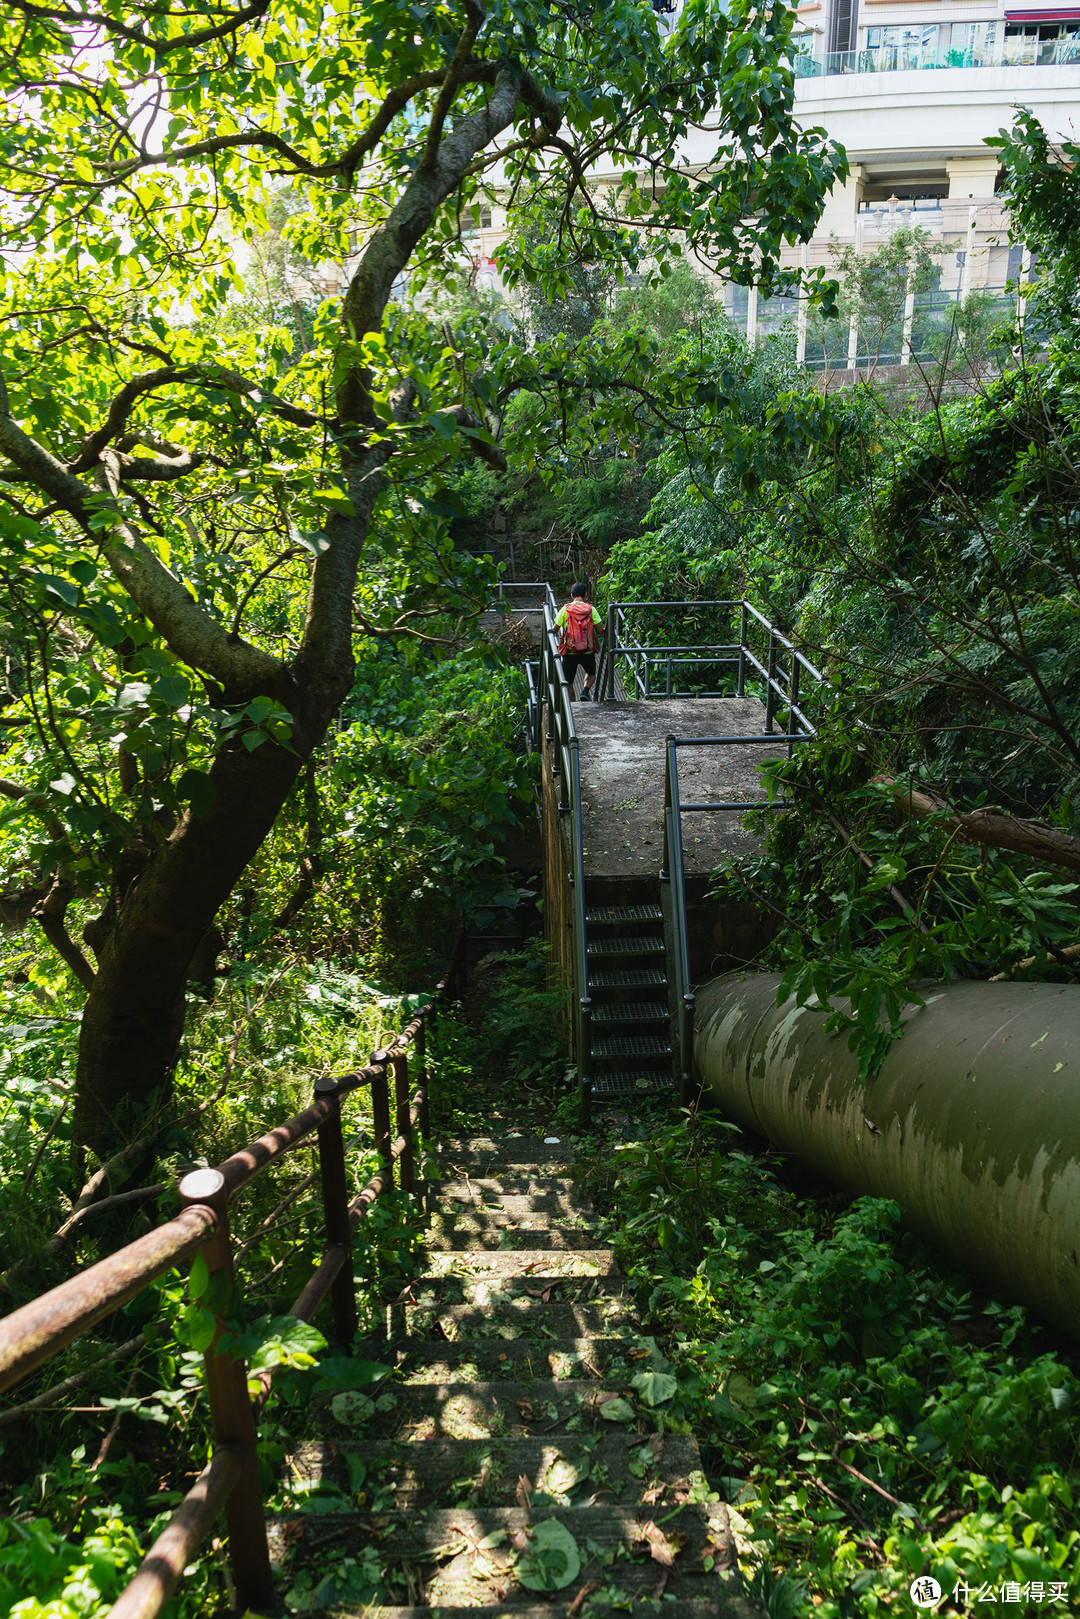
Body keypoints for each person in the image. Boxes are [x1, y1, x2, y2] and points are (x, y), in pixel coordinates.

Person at [555, 582, 603, 701]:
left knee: (568, 682)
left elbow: (554, 629)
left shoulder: (565, 609)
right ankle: (585, 691)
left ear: (572, 596)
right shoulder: (591, 609)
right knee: (591, 674)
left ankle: (573, 708)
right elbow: (600, 630)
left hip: (570, 651)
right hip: (587, 650)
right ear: (586, 595)